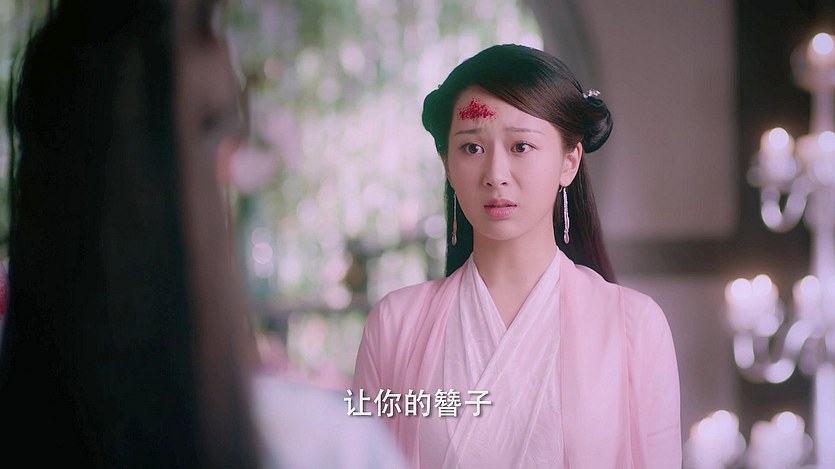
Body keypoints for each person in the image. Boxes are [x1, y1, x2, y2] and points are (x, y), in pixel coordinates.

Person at [353, 44, 681, 468]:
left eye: (521, 147)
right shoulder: (396, 324)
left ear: (569, 161)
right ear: (447, 163)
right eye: (472, 148)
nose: (495, 175)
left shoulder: (634, 324)